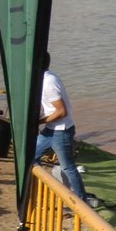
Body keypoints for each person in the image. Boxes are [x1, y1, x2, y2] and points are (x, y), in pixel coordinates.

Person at [35, 53, 87, 200]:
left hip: (61, 131)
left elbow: (62, 111)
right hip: (50, 130)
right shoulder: (44, 78)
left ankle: (81, 200)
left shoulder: (49, 82)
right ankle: (45, 187)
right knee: (32, 157)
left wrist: (38, 122)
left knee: (68, 167)